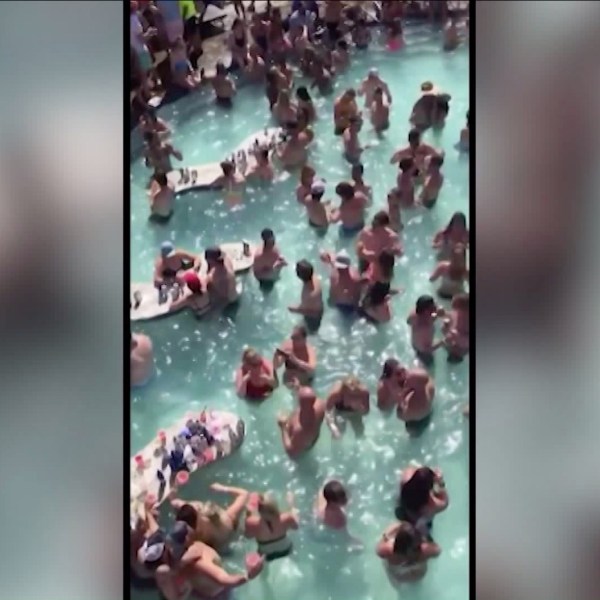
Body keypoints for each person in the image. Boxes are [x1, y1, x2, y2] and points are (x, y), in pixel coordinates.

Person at [169, 482, 249, 553]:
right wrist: (222, 488)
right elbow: (244, 494)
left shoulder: (226, 523)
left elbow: (244, 494)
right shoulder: (226, 522)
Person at [177, 535, 264, 598]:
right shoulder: (197, 544)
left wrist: (247, 576)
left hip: (217, 595)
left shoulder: (199, 563)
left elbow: (223, 579)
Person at [395, 466, 449, 539]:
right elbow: (445, 502)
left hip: (403, 510)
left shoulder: (405, 481)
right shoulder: (431, 505)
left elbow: (410, 468)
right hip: (420, 525)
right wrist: (440, 481)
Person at [376, 521, 440, 582]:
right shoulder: (425, 551)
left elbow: (379, 549)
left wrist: (387, 535)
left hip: (398, 578)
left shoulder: (387, 550)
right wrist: (426, 536)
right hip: (418, 577)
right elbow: (437, 550)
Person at [245, 493, 299, 561]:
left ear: (259, 510)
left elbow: (248, 536)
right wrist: (292, 506)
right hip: (286, 550)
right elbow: (296, 527)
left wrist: (249, 513)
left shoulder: (252, 522)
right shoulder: (286, 518)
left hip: (266, 555)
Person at [277, 386, 327, 456]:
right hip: (311, 438)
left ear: (299, 401)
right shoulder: (320, 404)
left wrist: (283, 428)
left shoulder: (300, 429)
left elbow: (291, 451)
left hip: (301, 449)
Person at [396, 366, 435, 435]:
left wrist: (400, 400)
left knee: (414, 433)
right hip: (425, 414)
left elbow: (400, 415)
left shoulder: (413, 409)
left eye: (407, 380)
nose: (406, 382)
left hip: (415, 421)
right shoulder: (428, 388)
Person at [407, 295, 446, 365]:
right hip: (424, 354)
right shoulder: (425, 328)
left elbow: (409, 321)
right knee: (430, 365)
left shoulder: (414, 313)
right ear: (426, 311)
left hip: (415, 344)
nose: (435, 308)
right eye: (432, 308)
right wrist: (442, 342)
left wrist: (437, 313)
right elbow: (426, 349)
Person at [289, 259, 324, 331]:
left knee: (310, 333)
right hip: (316, 308)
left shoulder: (309, 295)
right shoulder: (313, 278)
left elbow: (315, 313)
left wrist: (295, 310)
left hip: (313, 320)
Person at [442, 292, 469, 361]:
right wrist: (443, 314)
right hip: (456, 340)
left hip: (462, 345)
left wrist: (452, 333)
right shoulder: (457, 313)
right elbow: (451, 314)